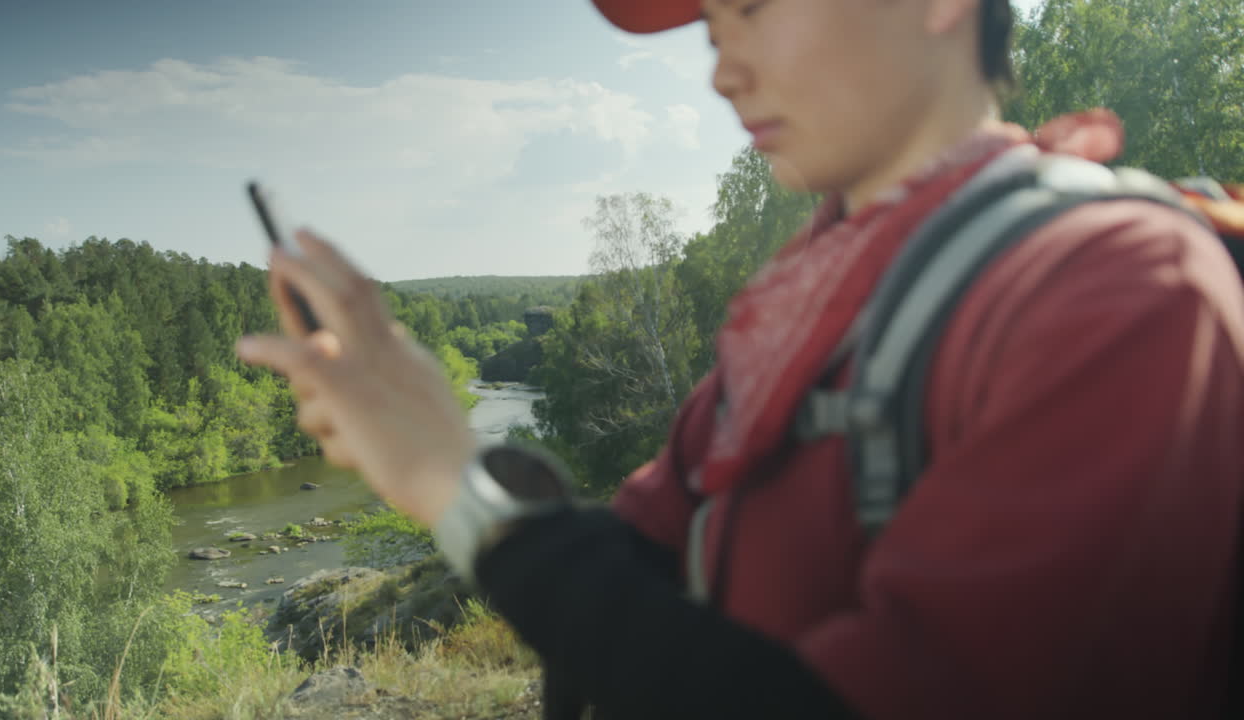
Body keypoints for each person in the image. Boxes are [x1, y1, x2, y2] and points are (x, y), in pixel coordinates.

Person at [235, 0, 1244, 717]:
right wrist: (416, 429)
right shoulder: (817, 294)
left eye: (752, 6)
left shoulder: (1120, 290)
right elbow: (637, 572)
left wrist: (451, 482)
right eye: (711, 25)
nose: (719, 69)